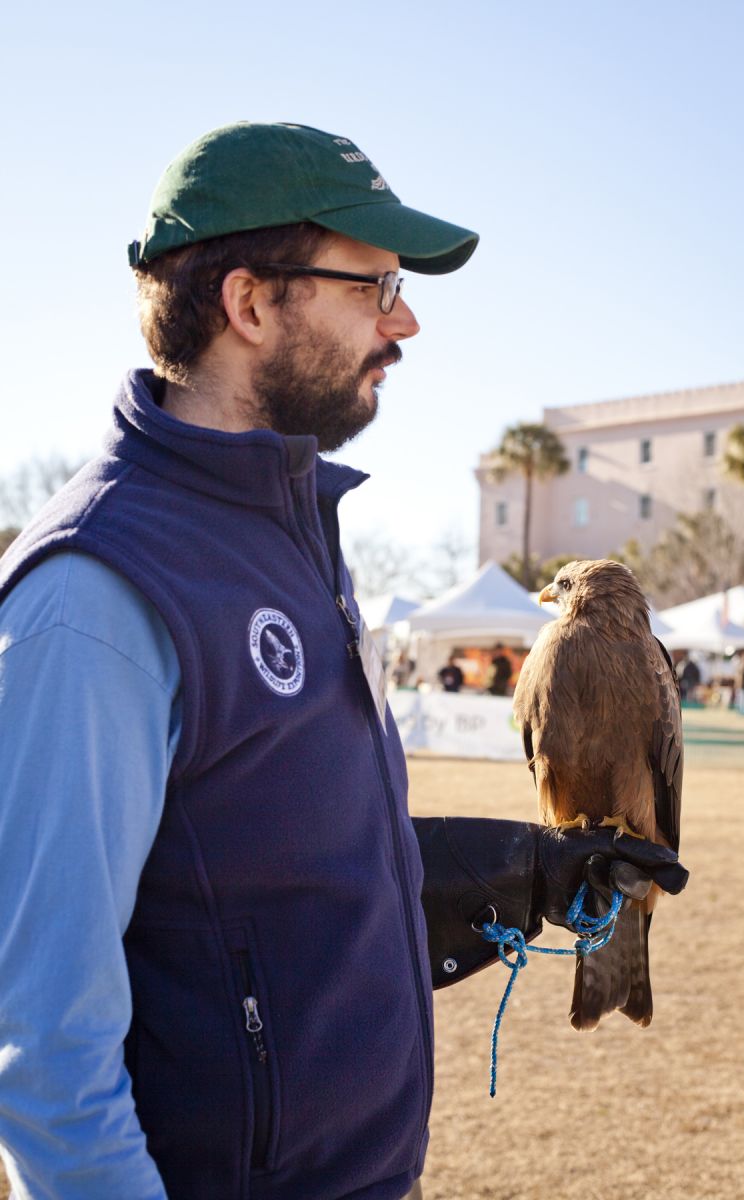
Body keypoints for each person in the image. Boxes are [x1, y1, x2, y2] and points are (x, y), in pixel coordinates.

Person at [0, 122, 688, 1200]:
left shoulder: (295, 536)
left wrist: (512, 866)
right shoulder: (95, 593)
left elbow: (257, 877)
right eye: (373, 284)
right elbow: (43, 1046)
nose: (404, 320)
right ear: (248, 303)